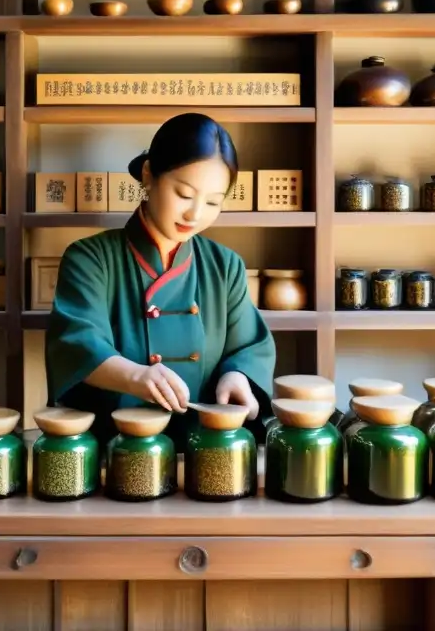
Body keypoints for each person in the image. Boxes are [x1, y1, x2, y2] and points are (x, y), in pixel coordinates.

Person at [45, 112, 276, 449]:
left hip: (206, 451)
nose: (195, 214)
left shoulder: (225, 266)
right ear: (149, 175)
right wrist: (137, 376)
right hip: (116, 453)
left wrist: (237, 377)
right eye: (184, 194)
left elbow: (249, 347)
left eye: (213, 201)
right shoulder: (90, 258)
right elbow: (77, 344)